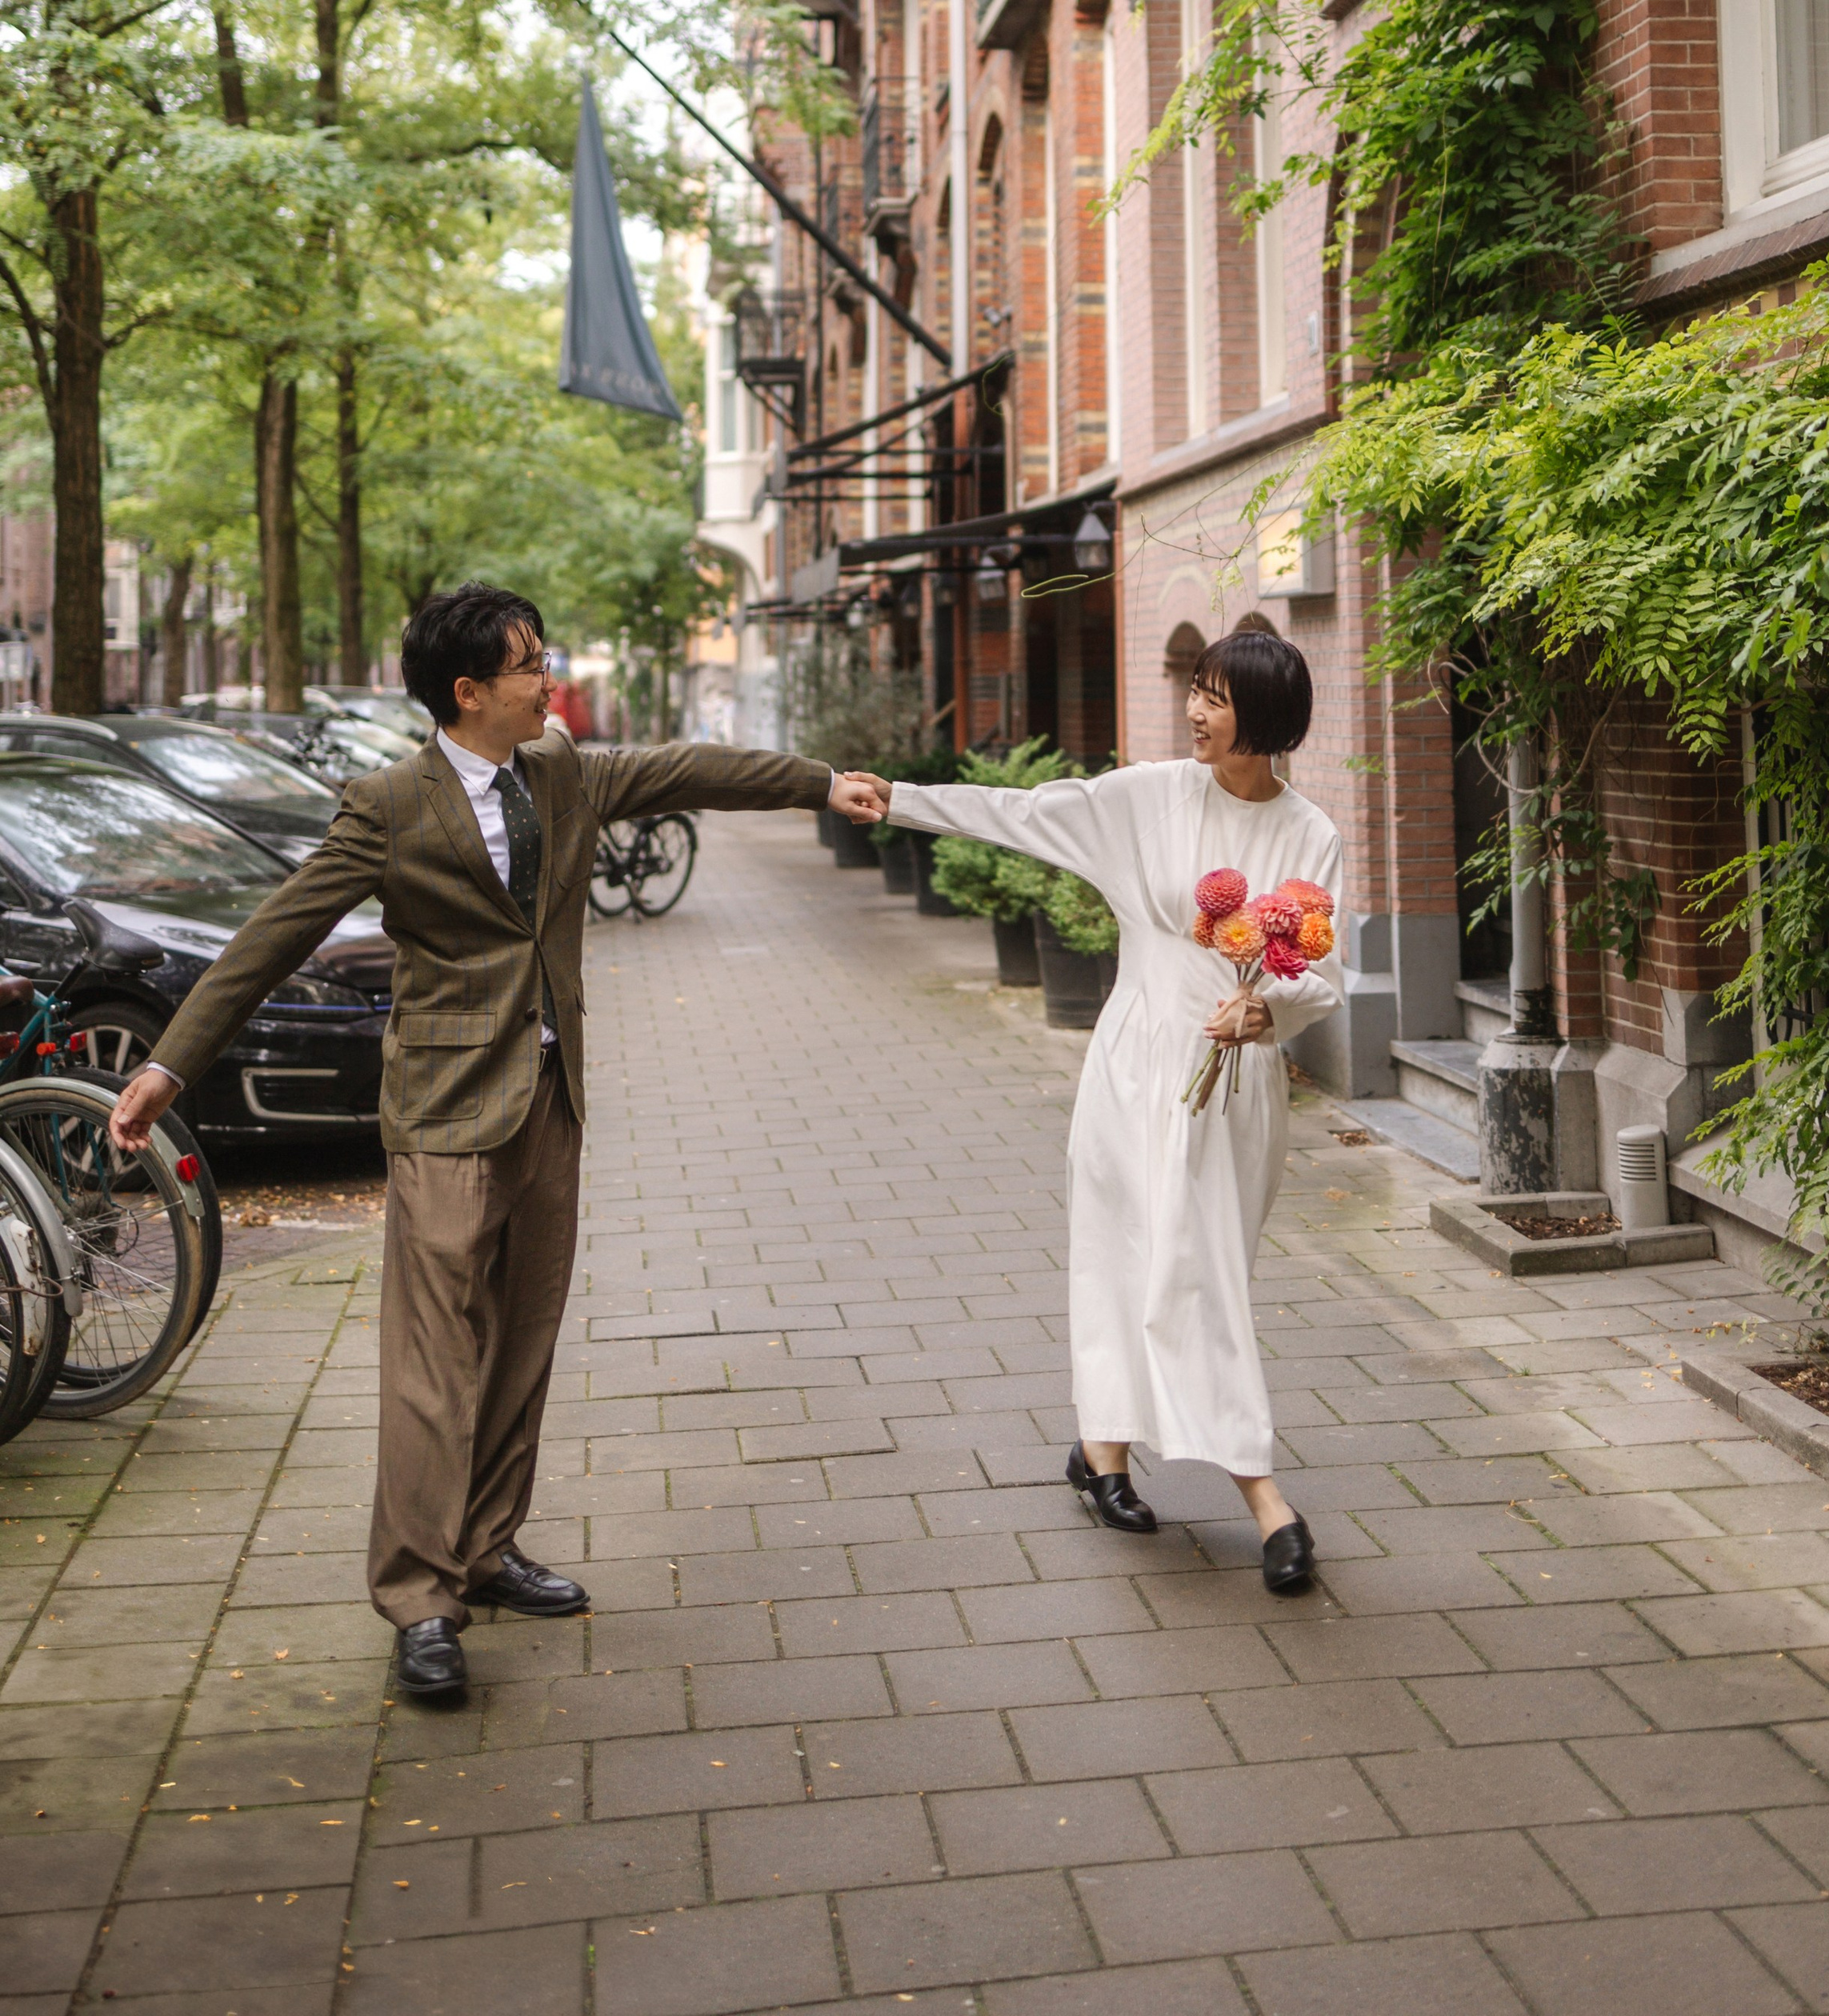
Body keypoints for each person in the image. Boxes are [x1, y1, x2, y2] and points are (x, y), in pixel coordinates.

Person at [110, 582, 886, 1702]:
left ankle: (486, 1547)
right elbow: (273, 937)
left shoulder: (560, 771)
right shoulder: (387, 806)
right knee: (435, 1365)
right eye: (528, 665)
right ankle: (421, 1597)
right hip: (443, 1117)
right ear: (467, 691)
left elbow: (684, 768)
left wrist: (819, 783)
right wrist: (165, 1065)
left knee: (523, 1342)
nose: (548, 680)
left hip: (549, 1106)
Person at [880, 629, 1339, 1594]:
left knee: (1200, 1267)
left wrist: (1268, 1010)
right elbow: (1026, 814)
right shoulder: (1148, 797)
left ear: (1262, 719)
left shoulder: (1311, 833)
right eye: (1196, 692)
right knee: (1129, 1253)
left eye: (1215, 698)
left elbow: (1321, 976)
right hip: (1136, 1066)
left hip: (1234, 1086)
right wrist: (898, 799)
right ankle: (1246, 1497)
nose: (1195, 711)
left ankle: (1102, 1454)